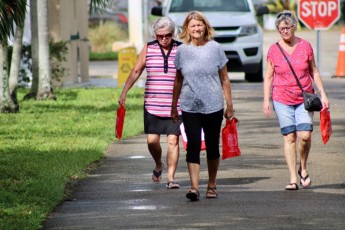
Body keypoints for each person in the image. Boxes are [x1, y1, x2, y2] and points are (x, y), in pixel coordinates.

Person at [263, 10, 330, 191]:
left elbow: (314, 71)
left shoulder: (305, 46)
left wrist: (323, 94)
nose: (285, 31)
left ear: (294, 27)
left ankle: (304, 167)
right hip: (281, 98)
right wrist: (266, 100)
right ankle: (293, 177)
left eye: (288, 27)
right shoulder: (273, 50)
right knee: (289, 136)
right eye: (281, 28)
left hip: (304, 98)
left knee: (305, 136)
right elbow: (268, 77)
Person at [171, 11, 234, 201]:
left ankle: (212, 185)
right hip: (190, 105)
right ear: (187, 30)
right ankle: (194, 187)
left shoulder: (215, 48)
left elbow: (225, 79)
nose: (197, 29)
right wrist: (174, 106)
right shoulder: (182, 50)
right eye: (193, 26)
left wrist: (229, 105)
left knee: (213, 146)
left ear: (205, 27)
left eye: (200, 25)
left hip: (213, 105)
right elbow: (178, 81)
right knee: (193, 145)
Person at [118, 17, 182, 189]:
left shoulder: (181, 49)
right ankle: (158, 164)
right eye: (160, 36)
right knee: (152, 141)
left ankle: (171, 177)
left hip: (176, 106)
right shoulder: (149, 48)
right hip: (153, 104)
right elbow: (136, 70)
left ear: (173, 33)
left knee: (173, 141)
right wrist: (124, 92)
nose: (164, 39)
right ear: (155, 34)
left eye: (167, 35)